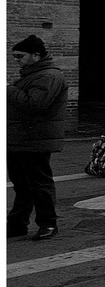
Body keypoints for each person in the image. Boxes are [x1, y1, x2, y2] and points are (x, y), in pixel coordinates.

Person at [8, 35, 68, 240]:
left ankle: (48, 223)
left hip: (35, 139)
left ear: (36, 55)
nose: (16, 60)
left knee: (39, 184)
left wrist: (8, 90)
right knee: (22, 185)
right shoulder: (32, 74)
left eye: (20, 56)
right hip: (20, 139)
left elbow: (34, 104)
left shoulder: (48, 76)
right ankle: (17, 224)